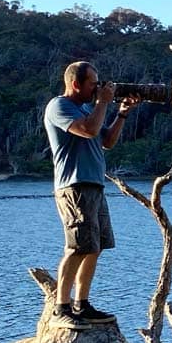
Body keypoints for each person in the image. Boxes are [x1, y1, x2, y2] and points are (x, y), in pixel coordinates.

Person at [43, 60, 138, 323]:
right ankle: (61, 308)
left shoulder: (88, 108)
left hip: (94, 186)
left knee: (95, 246)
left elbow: (106, 140)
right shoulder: (59, 106)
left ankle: (81, 304)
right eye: (92, 84)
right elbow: (88, 130)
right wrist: (104, 102)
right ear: (75, 83)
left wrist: (122, 113)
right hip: (73, 187)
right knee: (76, 247)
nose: (97, 88)